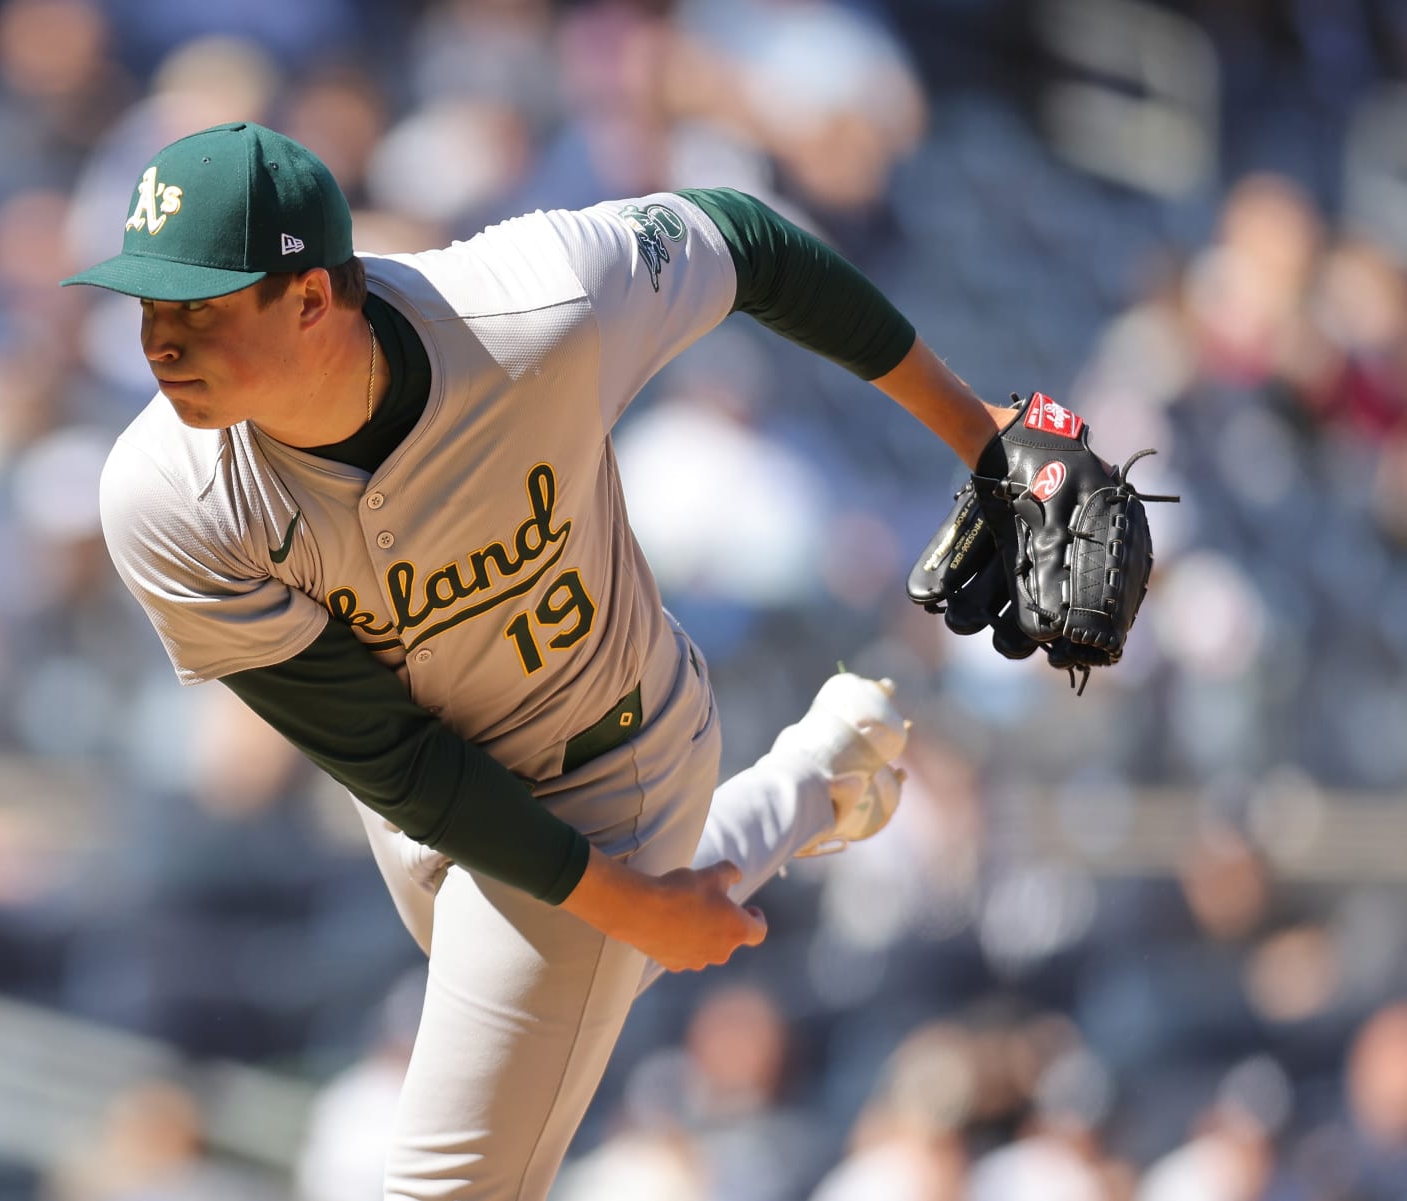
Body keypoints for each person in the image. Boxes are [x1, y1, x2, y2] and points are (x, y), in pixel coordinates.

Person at [68, 121, 1008, 1200]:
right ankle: (808, 790)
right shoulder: (163, 497)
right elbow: (400, 763)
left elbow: (747, 241)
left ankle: (772, 812)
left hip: (612, 758)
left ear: (316, 298)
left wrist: (981, 435)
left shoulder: (530, 305)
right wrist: (631, 909)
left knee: (450, 1181)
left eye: (199, 306)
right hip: (425, 800)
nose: (160, 342)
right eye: (148, 305)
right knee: (605, 957)